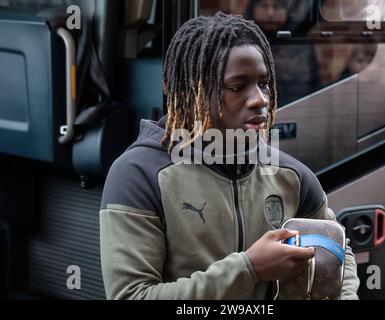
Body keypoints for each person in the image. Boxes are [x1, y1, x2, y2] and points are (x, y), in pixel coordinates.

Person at [100, 12, 359, 300]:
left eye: (264, 83)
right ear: (189, 90)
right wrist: (249, 268)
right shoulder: (139, 174)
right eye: (237, 86)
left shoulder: (290, 173)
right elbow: (131, 295)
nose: (261, 98)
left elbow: (337, 249)